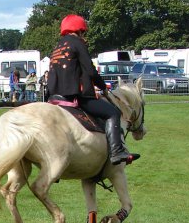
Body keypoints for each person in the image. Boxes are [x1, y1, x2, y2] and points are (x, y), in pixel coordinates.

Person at [46, 15, 139, 165]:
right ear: (80, 30)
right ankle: (117, 151)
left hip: (54, 97)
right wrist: (102, 86)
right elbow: (90, 70)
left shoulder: (58, 46)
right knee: (113, 113)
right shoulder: (77, 43)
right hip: (74, 96)